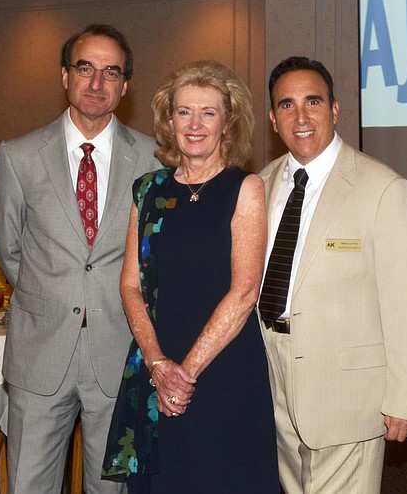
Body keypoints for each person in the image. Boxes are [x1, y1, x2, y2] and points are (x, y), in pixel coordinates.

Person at [0, 23, 161, 494]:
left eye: (110, 72)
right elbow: (9, 250)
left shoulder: (154, 159)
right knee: (28, 484)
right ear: (65, 75)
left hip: (119, 351)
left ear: (125, 86)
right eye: (85, 68)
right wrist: (54, 295)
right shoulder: (19, 156)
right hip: (40, 353)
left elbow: (153, 258)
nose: (96, 83)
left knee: (112, 487)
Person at [259, 56, 407, 494]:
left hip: (348, 391)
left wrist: (406, 397)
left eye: (312, 102)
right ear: (272, 118)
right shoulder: (261, 184)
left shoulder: (383, 188)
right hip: (273, 376)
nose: (301, 117)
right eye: (287, 105)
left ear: (335, 110)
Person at [101, 60, 279, 493]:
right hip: (156, 362)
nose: (195, 124)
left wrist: (184, 375)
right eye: (184, 112)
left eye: (208, 112)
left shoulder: (245, 187)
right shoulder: (147, 190)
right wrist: (160, 366)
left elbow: (243, 294)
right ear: (168, 120)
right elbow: (129, 285)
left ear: (228, 122)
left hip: (224, 369)